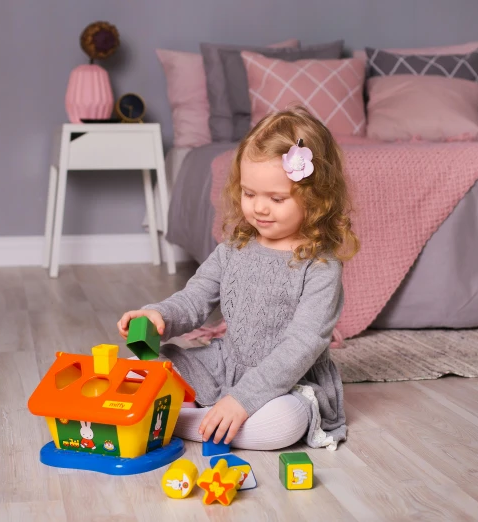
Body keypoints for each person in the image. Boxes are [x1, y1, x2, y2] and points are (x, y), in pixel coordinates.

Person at [117, 106, 359, 451]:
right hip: (223, 365)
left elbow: (301, 346)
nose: (259, 208)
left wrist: (243, 400)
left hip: (288, 381)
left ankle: (178, 420)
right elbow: (195, 298)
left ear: (315, 198)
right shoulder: (236, 247)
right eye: (249, 194)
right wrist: (159, 316)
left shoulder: (320, 266)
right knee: (137, 369)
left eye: (276, 198)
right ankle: (208, 418)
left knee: (281, 425)